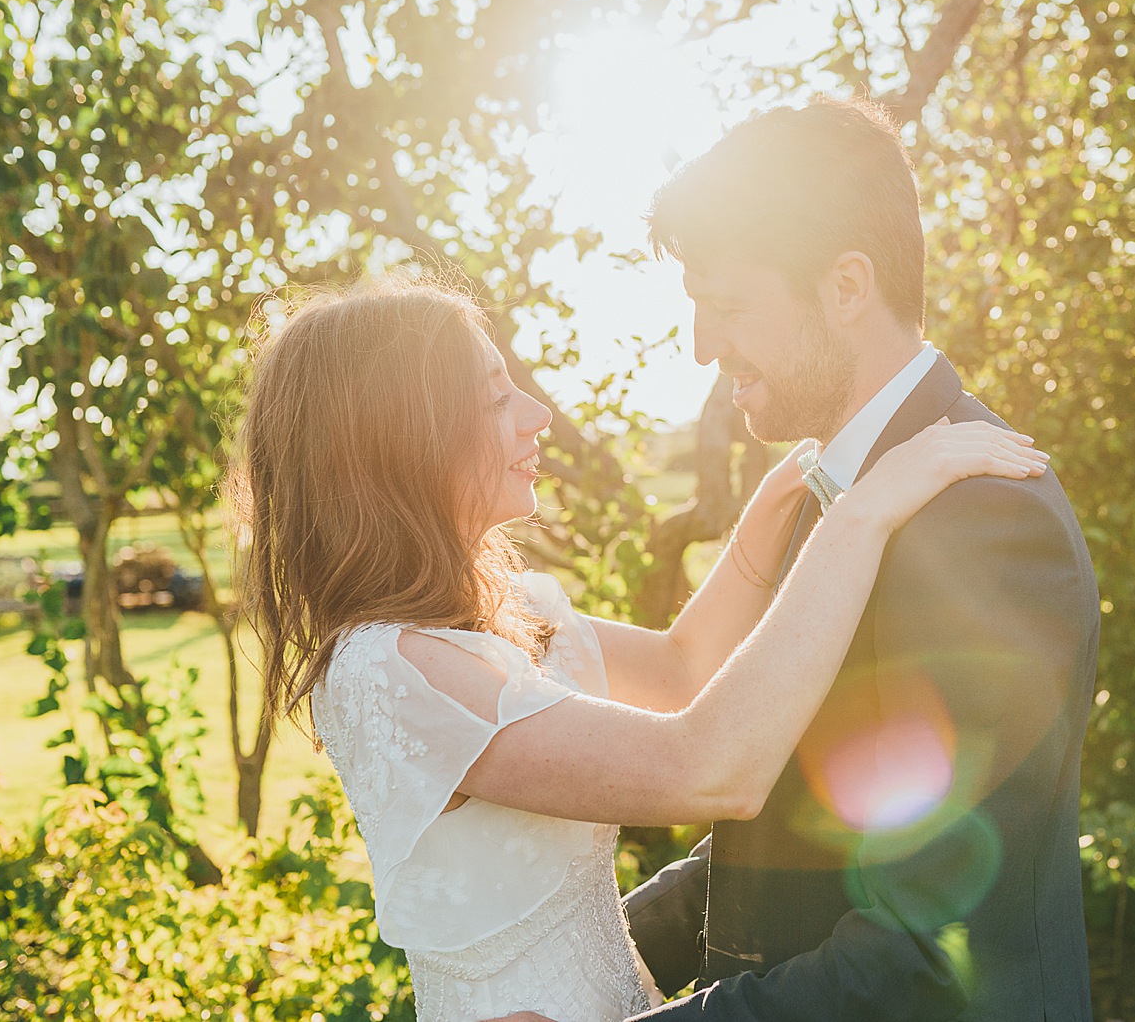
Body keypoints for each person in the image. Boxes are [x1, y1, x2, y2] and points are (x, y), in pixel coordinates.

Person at [226, 274, 1050, 1022]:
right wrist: (864, 512)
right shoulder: (387, 671)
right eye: (495, 399)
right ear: (399, 442)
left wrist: (774, 510)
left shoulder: (508, 614)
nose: (537, 415)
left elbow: (682, 668)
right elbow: (707, 765)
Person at [612, 96, 1102, 1022]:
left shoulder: (986, 523)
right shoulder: (838, 495)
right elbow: (799, 830)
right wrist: (569, 956)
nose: (701, 344)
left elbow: (922, 952)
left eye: (727, 307)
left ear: (846, 287)